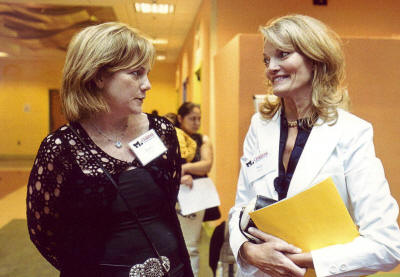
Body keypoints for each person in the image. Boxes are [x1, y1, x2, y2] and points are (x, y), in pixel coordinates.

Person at [229, 14, 400, 277]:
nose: (271, 67)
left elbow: (387, 246)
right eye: (266, 59)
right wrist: (247, 252)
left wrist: (301, 260)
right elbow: (240, 209)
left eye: (283, 55)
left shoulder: (352, 133)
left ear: (315, 59)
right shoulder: (259, 127)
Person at [26, 22, 193, 277]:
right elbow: (45, 231)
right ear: (98, 75)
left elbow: (166, 205)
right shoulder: (62, 148)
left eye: (147, 73)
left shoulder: (162, 132)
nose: (147, 84)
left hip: (172, 268)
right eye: (136, 73)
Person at [175, 102, 214, 276]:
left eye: (199, 119)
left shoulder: (202, 139)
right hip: (173, 194)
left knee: (191, 244)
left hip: (194, 194)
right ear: (180, 118)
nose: (196, 122)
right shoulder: (171, 136)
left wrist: (184, 168)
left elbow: (206, 165)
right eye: (192, 118)